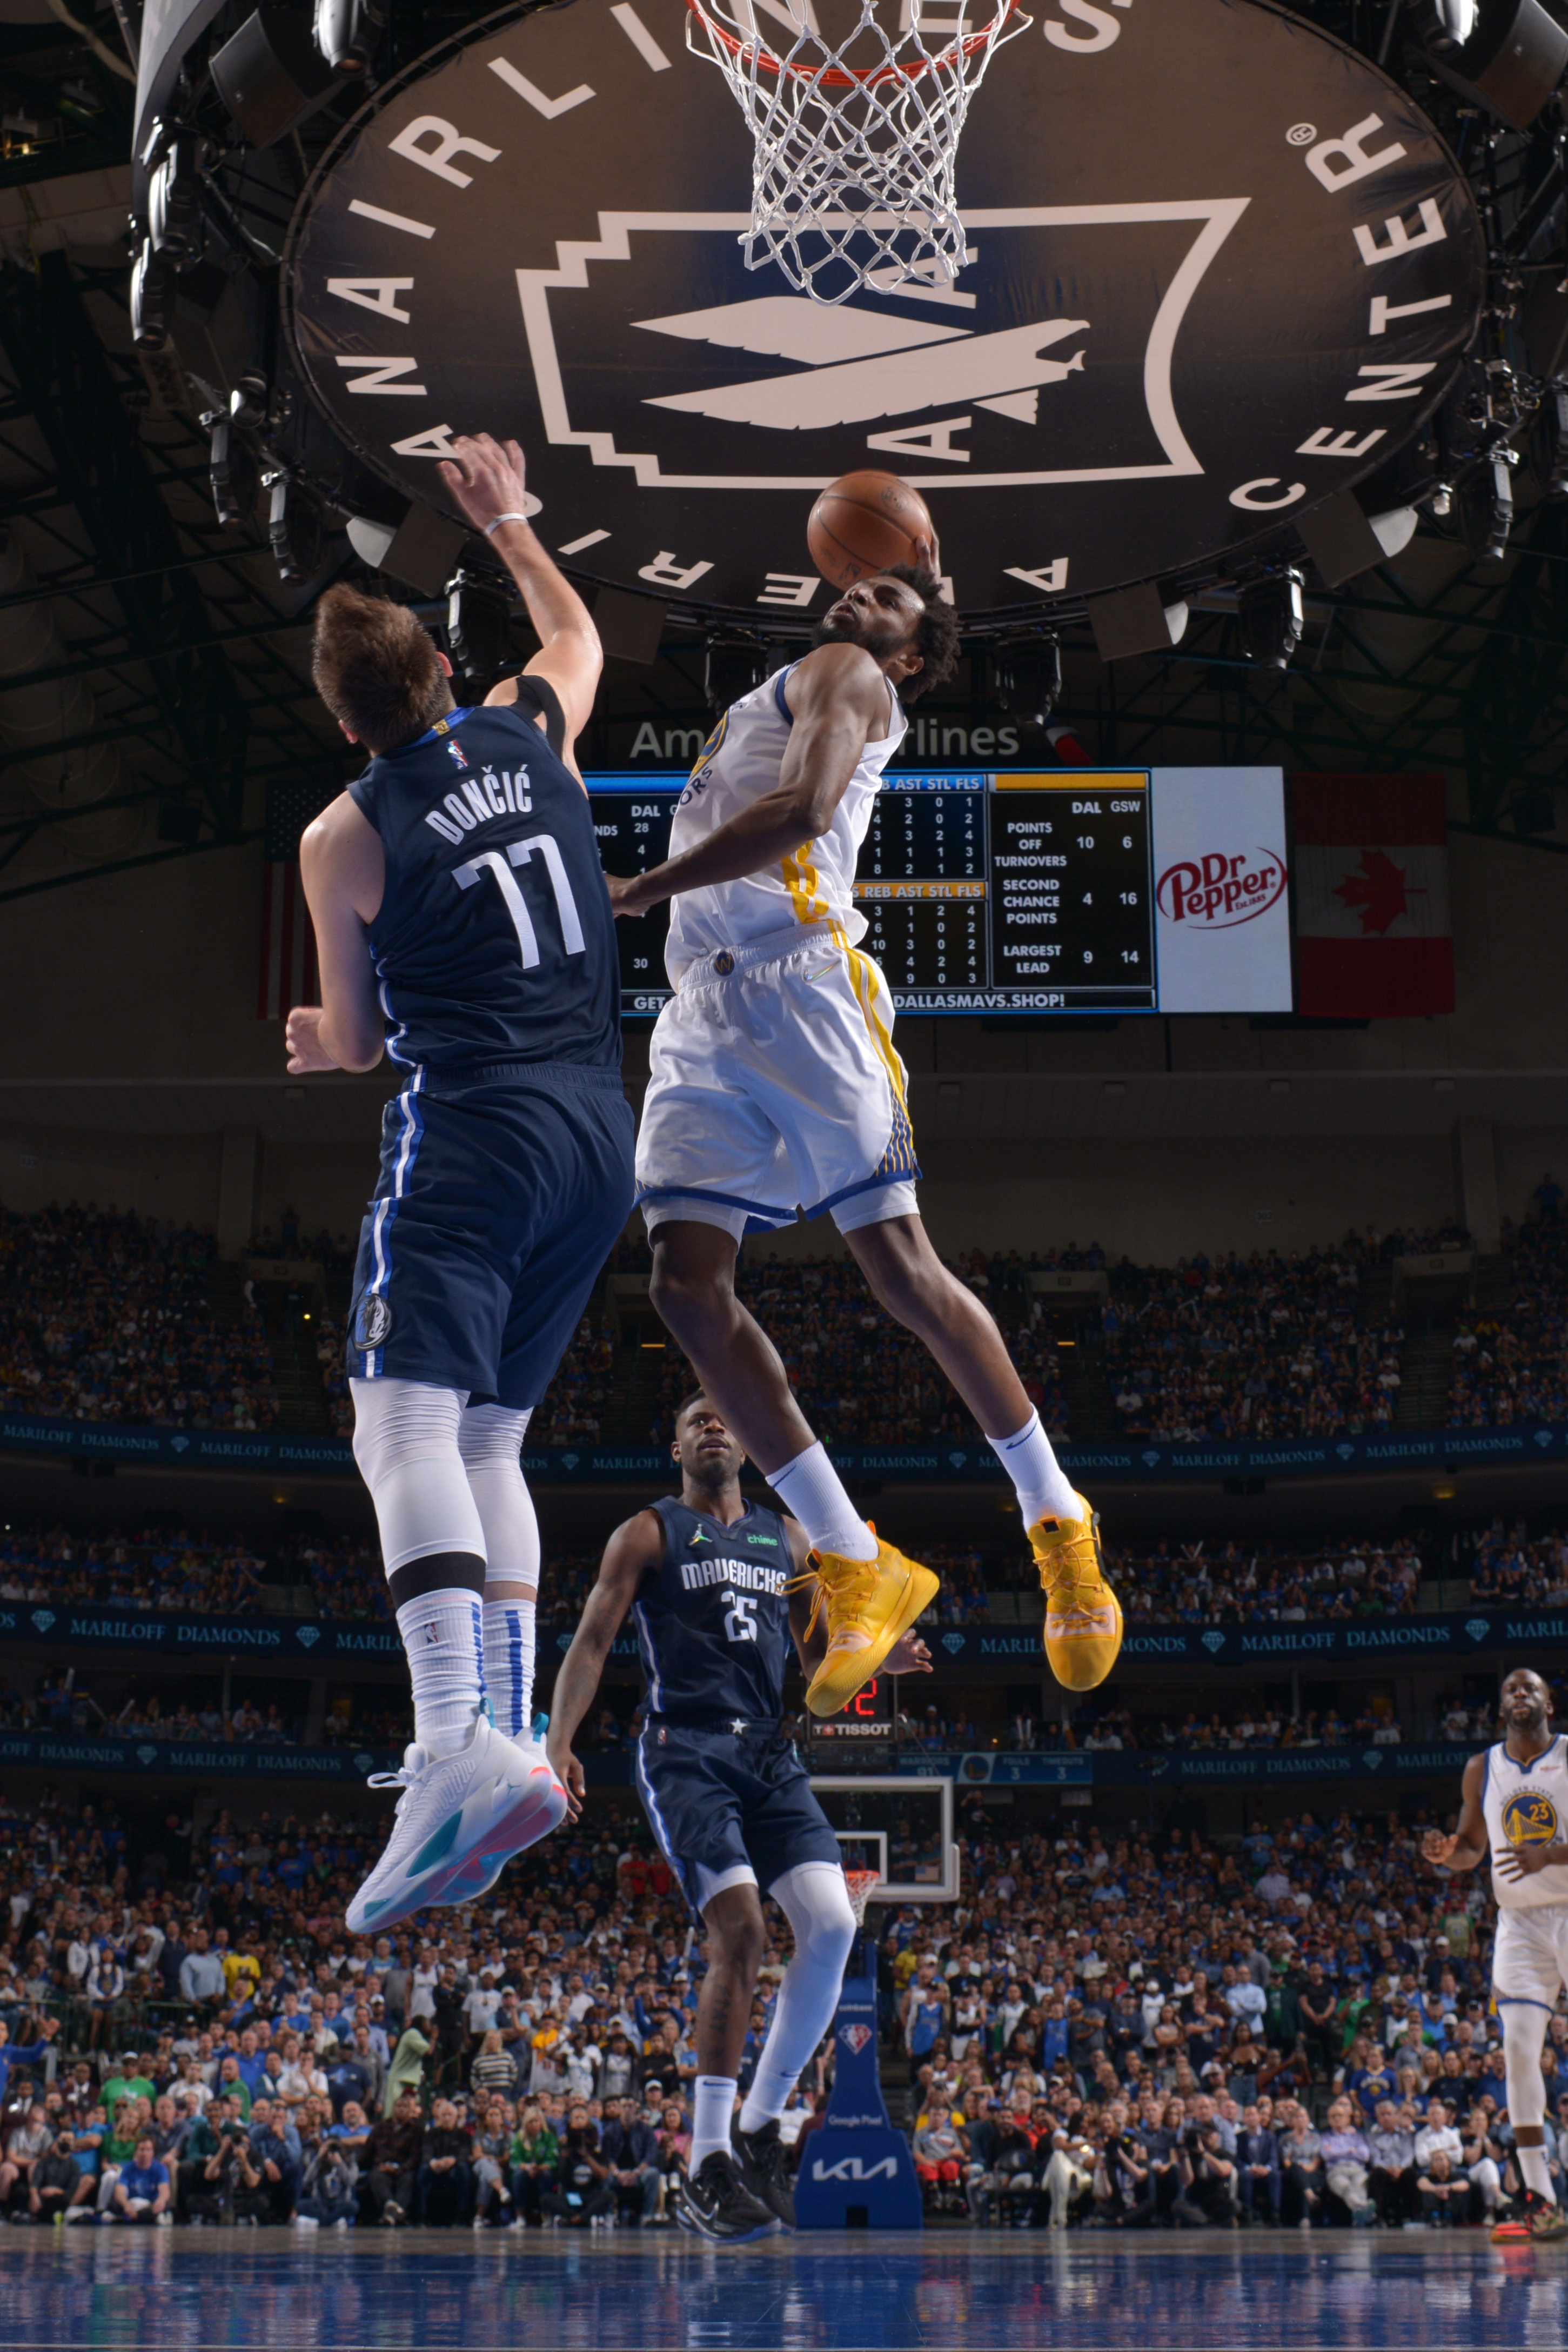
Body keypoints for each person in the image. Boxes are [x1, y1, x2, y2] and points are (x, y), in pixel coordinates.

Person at [606, 548, 1120, 1709]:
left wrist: (639, 888)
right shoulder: (790, 681)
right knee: (683, 1289)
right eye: (856, 583)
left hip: (802, 988)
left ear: (908, 653)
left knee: (900, 1271)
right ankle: (851, 1556)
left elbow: (803, 812)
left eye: (889, 598)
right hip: (701, 1009)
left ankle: (1057, 1520)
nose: (855, 598)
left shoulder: (851, 673)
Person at [286, 431, 635, 1934]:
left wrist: (320, 1040)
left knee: (401, 1425)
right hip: (594, 1135)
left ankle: (446, 1742)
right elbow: (576, 632)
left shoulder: (340, 835)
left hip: (477, 1132)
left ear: (343, 719)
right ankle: (505, 1744)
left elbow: (360, 1046)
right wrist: (506, 521)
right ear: (442, 671)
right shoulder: (526, 729)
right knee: (489, 1437)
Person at [547, 1391, 932, 2242]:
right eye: (695, 1419)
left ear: (749, 1447)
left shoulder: (787, 1536)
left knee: (833, 1925)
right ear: (677, 1446)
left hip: (768, 1752)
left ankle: (759, 2128)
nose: (714, 1424)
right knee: (743, 1935)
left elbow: (818, 1658)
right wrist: (560, 1740)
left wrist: (882, 1658)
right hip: (686, 1754)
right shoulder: (646, 1532)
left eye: (726, 1415)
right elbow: (591, 1641)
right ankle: (705, 2162)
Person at [1424, 1665, 1568, 2241]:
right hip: (1518, 1923)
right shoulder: (1481, 1767)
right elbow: (1471, 1849)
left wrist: (1551, 1854)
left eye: (1529, 1687)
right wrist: (1446, 1853)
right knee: (1517, 2050)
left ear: (1549, 1704)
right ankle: (1541, 2196)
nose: (1519, 1694)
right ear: (1500, 1706)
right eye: (1510, 1688)